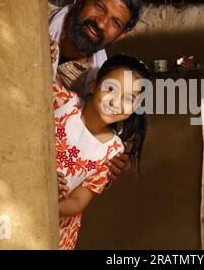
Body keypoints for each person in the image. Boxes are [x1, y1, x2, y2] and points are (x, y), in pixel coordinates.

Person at [49, 0, 144, 189]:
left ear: (120, 36)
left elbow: (87, 145)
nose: (101, 23)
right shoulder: (32, 19)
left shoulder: (97, 84)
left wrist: (103, 163)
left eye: (115, 22)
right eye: (100, 7)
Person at [54, 54, 151, 250]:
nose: (116, 102)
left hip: (55, 223)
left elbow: (78, 201)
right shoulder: (63, 103)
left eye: (129, 98)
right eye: (111, 89)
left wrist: (46, 203)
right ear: (93, 85)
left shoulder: (112, 152)